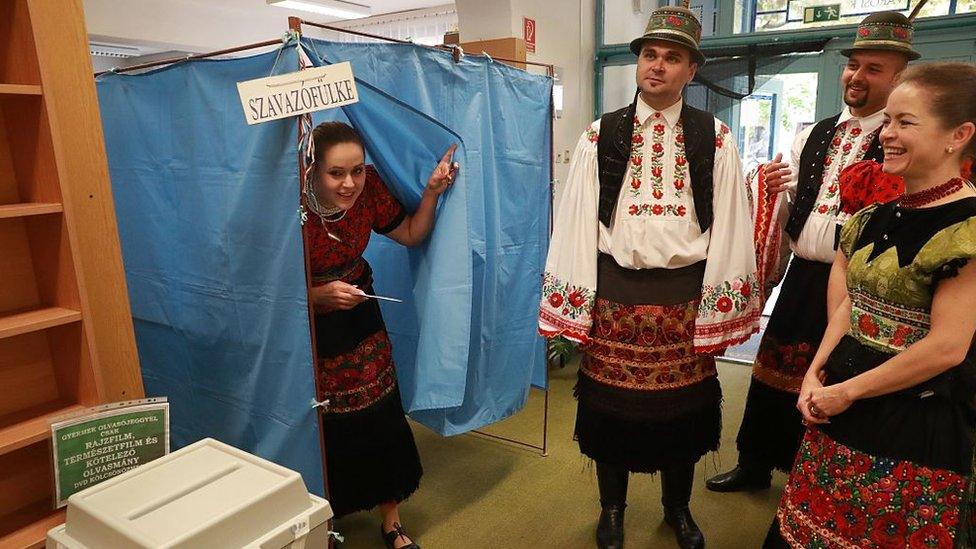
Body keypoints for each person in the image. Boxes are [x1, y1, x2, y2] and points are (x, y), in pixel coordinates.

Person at [538, 4, 761, 548]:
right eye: (650, 55)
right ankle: (611, 509)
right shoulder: (601, 135)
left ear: (691, 70)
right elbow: (574, 222)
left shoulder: (715, 137)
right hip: (615, 294)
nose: (657, 66)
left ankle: (677, 509)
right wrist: (574, 300)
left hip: (684, 299)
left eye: (673, 57)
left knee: (682, 416)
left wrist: (720, 304)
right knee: (608, 413)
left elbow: (732, 223)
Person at [766, 61, 976, 548]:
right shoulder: (873, 216)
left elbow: (947, 347)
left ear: (959, 134)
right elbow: (850, 307)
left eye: (906, 123)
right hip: (845, 396)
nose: (888, 135)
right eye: (889, 122)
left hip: (916, 414)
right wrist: (815, 374)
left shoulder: (966, 231)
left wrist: (847, 391)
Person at [707, 10, 917, 493]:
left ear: (899, 77)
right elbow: (802, 202)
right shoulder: (815, 133)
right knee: (771, 374)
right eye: (853, 65)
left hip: (861, 287)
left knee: (835, 377)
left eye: (873, 69)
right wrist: (780, 191)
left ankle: (815, 479)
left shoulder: (900, 139)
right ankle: (756, 463)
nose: (856, 77)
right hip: (805, 274)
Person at [303, 121, 456, 549]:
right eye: (336, 173)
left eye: (357, 170)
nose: (350, 183)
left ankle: (391, 520)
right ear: (314, 169)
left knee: (379, 408)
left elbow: (410, 233)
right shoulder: (290, 205)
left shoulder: (369, 192)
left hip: (359, 306)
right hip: (306, 323)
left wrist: (430, 193)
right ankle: (327, 522)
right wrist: (316, 296)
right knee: (324, 421)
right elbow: (260, 286)